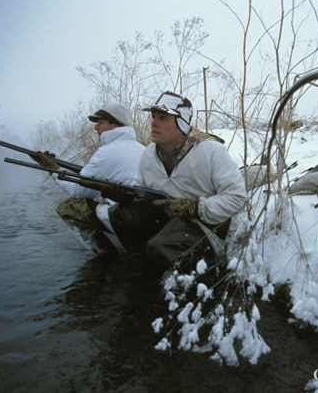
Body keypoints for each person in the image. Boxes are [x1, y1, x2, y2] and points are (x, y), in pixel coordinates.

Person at [102, 91, 247, 277]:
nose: (153, 122)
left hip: (207, 229)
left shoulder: (211, 151)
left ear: (182, 124)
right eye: (153, 116)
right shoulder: (148, 155)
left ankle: (202, 275)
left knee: (161, 246)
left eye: (163, 118)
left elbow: (237, 198)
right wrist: (125, 198)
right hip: (170, 222)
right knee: (120, 214)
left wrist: (195, 207)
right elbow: (141, 192)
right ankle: (146, 269)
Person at [32, 102, 146, 257]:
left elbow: (78, 190)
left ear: (115, 125)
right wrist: (59, 166)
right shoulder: (142, 149)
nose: (96, 128)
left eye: (101, 123)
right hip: (146, 219)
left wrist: (53, 170)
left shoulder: (107, 152)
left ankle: (107, 257)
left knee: (70, 207)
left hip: (126, 220)